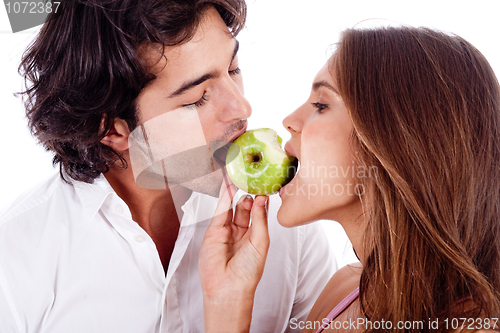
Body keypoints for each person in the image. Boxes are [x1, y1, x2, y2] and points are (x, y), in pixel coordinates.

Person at [0, 1, 336, 332]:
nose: (242, 107)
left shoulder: (287, 222)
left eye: (233, 68)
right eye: (196, 99)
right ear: (112, 130)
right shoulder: (17, 262)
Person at [199, 26, 500, 332]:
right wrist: (226, 306)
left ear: (391, 140)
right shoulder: (342, 292)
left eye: (321, 104)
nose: (289, 121)